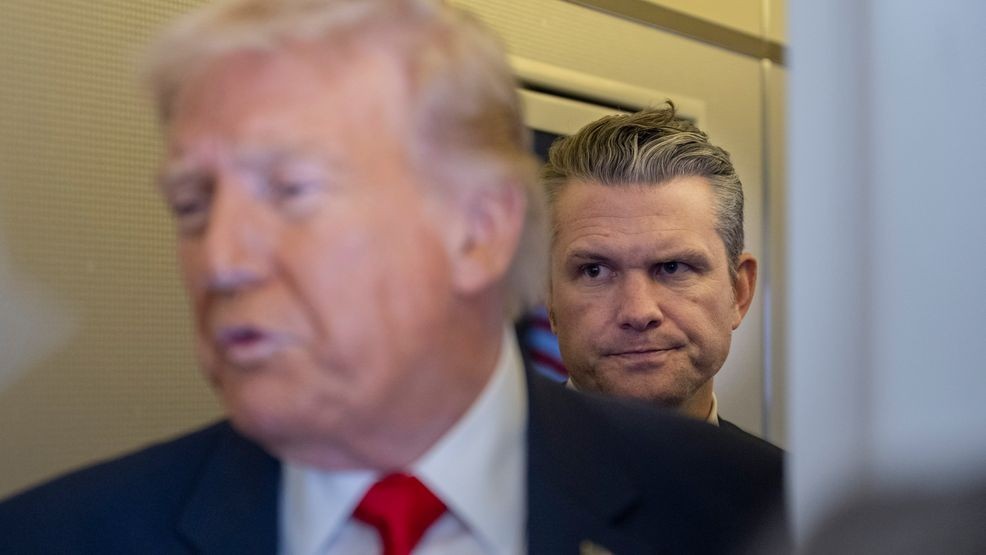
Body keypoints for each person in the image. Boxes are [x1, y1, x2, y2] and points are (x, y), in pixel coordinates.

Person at [0, 1, 783, 553]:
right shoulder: (53, 537)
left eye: (294, 190)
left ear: (478, 233)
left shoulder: (765, 510)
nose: (221, 258)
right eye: (193, 203)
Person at [543, 105, 768, 439]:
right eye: (594, 271)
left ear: (740, 291)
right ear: (550, 300)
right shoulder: (464, 489)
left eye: (672, 267)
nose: (638, 312)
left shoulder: (790, 490)